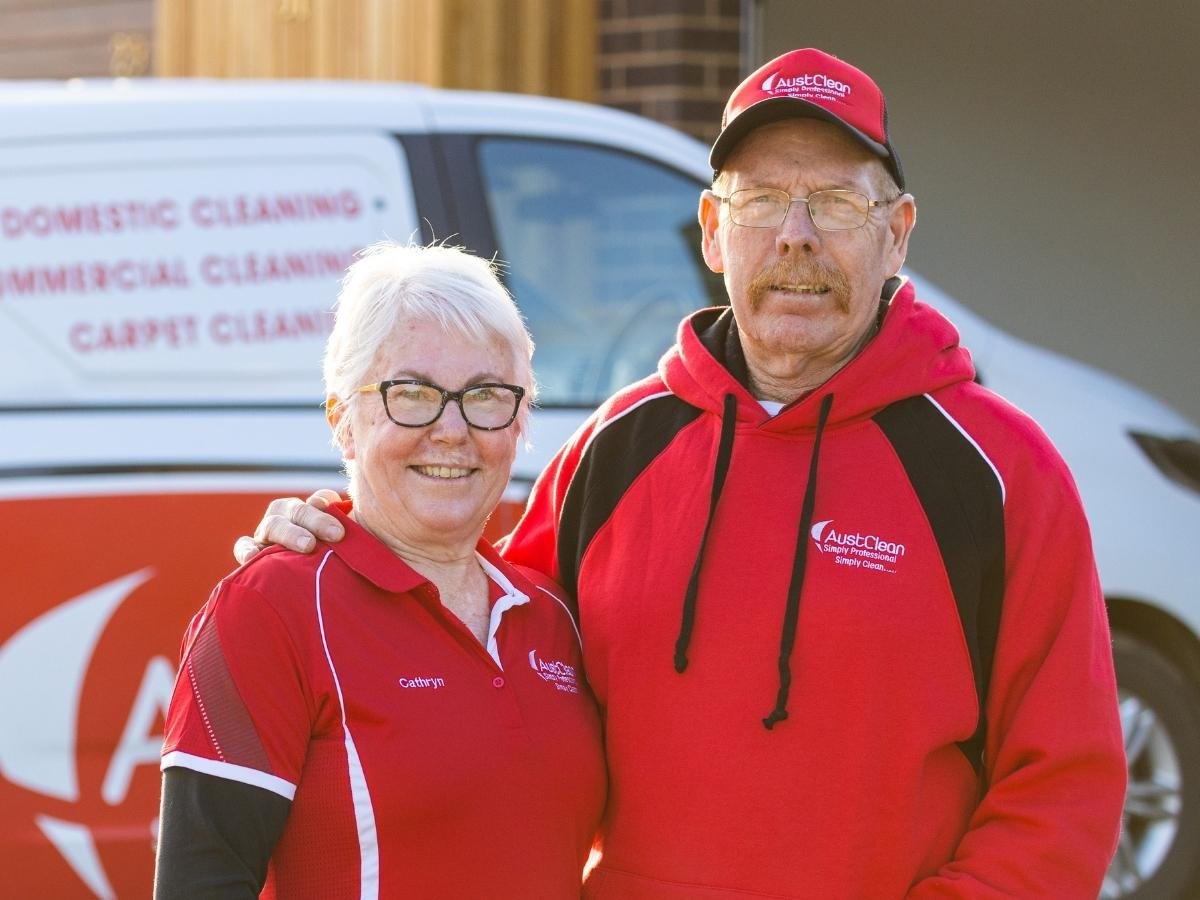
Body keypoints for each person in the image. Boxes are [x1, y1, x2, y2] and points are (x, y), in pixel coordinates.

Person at [237, 49, 1126, 898]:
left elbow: (1066, 786)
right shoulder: (617, 449)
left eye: (836, 205)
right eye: (761, 201)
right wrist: (333, 551)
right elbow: (477, 647)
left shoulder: (1000, 473)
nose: (795, 236)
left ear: (897, 235)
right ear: (711, 231)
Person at [155, 242, 606, 898]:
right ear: (344, 420)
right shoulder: (270, 606)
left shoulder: (554, 614)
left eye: (485, 396)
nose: (452, 430)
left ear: (520, 422)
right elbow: (201, 882)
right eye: (413, 394)